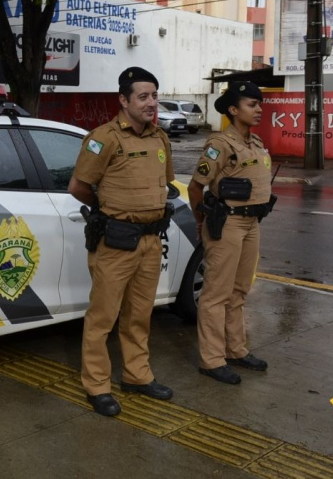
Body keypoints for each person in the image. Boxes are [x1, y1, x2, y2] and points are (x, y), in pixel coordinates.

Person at [68, 66, 175, 417]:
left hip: (150, 241)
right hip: (115, 242)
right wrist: (108, 210)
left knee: (140, 316)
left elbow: (165, 184)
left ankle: (136, 376)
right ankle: (97, 385)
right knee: (103, 318)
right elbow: (79, 187)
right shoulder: (105, 138)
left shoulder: (160, 139)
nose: (151, 103)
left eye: (154, 96)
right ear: (123, 100)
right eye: (143, 96)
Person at [187, 82, 275, 385]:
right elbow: (195, 187)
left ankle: (236, 349)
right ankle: (211, 359)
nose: (259, 109)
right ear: (234, 110)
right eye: (252, 104)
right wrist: (202, 223)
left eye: (260, 104)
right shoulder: (220, 144)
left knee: (239, 291)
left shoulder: (255, 142)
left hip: (252, 224)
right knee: (216, 295)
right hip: (227, 224)